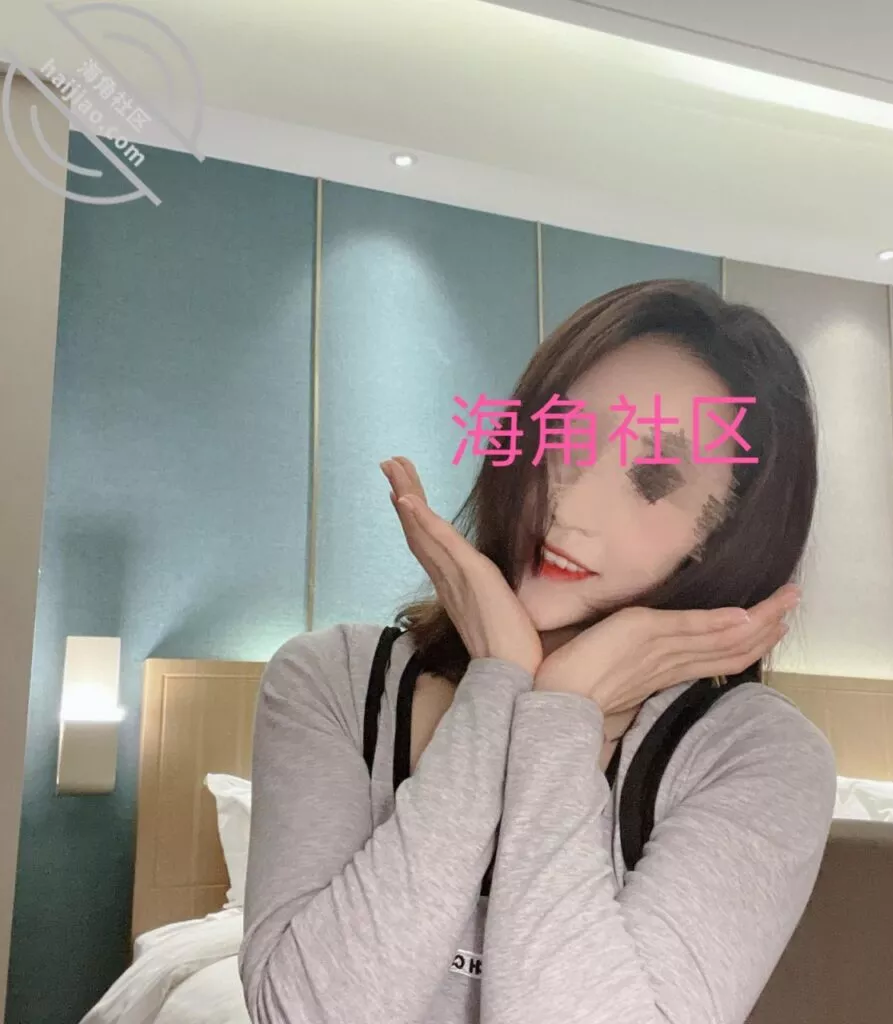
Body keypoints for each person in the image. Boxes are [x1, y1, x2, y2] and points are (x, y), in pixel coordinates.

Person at [239, 279, 837, 1024]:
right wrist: (498, 687)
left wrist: (561, 714)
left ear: (719, 536)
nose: (568, 504)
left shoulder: (753, 755)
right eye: (567, 438)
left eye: (653, 478)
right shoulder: (332, 681)